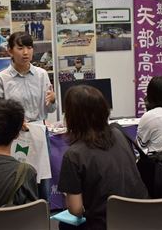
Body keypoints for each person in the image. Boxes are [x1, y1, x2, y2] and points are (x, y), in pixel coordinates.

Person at [58, 85, 148, 230]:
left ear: (71, 116)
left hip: (105, 224)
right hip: (141, 216)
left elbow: (76, 210)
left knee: (65, 225)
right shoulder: (119, 133)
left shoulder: (74, 155)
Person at [0, 31, 56, 122]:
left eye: (29, 48)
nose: (26, 52)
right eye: (20, 48)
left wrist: (53, 100)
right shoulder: (2, 78)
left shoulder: (42, 74)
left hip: (40, 132)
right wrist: (12, 121)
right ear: (10, 51)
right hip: (15, 133)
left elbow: (51, 109)